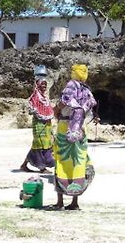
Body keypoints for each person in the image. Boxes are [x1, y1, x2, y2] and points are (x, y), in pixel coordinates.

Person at [52, 64, 98, 211]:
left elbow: (64, 101)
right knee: (78, 162)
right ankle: (74, 201)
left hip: (65, 127)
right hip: (80, 130)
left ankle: (60, 201)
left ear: (74, 73)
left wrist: (56, 109)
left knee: (62, 161)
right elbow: (90, 109)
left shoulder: (72, 85)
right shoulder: (86, 90)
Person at [20, 66, 55, 173]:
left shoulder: (44, 97)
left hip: (47, 124)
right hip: (39, 123)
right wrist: (35, 112)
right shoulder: (35, 96)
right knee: (39, 144)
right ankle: (42, 167)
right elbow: (30, 108)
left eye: (45, 84)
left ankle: (24, 165)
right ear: (38, 84)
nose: (44, 86)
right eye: (42, 84)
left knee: (40, 144)